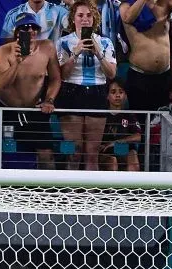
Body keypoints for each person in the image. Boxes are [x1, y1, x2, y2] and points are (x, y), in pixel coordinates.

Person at [0, 12, 61, 170]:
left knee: (46, 154)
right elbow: (1, 85)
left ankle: (48, 186)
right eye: (25, 28)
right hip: (7, 108)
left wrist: (49, 100)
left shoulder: (47, 47)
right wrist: (17, 63)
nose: (30, 31)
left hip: (34, 109)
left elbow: (55, 78)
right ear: (17, 32)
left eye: (33, 27)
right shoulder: (3, 51)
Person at [57, 0, 116, 170]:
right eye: (80, 15)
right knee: (74, 152)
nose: (85, 19)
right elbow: (62, 74)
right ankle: (70, 187)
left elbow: (111, 74)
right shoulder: (63, 42)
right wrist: (75, 53)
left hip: (97, 92)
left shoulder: (105, 42)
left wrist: (98, 54)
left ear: (94, 18)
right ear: (73, 18)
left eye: (89, 15)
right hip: (71, 92)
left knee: (92, 154)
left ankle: (91, 188)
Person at [119, 0, 172, 114]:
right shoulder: (125, 6)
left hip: (164, 76)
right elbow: (127, 18)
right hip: (139, 78)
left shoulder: (164, 4)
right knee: (140, 120)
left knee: (163, 119)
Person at [103, 80, 143, 170]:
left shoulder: (129, 115)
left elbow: (138, 136)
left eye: (121, 92)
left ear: (125, 96)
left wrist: (117, 142)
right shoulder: (101, 115)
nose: (117, 95)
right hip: (105, 150)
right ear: (107, 96)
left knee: (133, 154)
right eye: (113, 92)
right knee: (112, 161)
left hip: (122, 148)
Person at [0, 0, 68, 42]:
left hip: (53, 59)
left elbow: (72, 27)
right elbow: (8, 43)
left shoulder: (59, 11)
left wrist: (71, 3)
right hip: (25, 59)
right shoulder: (13, 14)